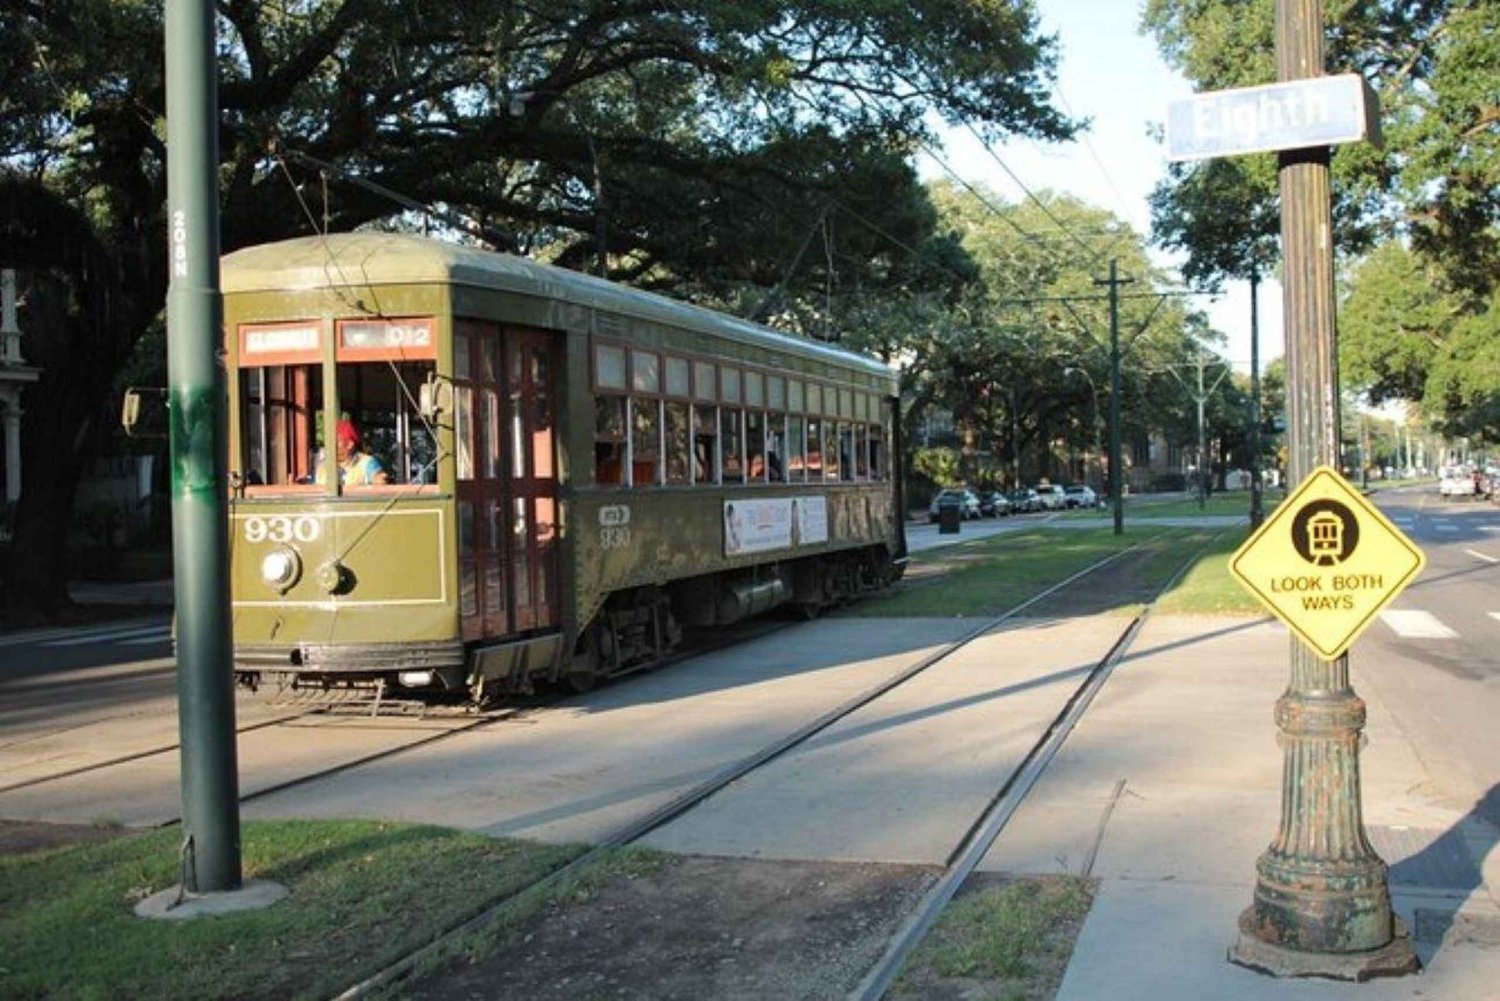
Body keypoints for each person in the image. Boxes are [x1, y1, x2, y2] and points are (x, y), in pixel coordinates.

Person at [317, 419, 390, 486]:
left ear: (349, 444)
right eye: (329, 440)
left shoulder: (366, 462)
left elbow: (379, 478)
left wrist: (379, 478)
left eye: (335, 440)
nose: (330, 444)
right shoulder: (321, 466)